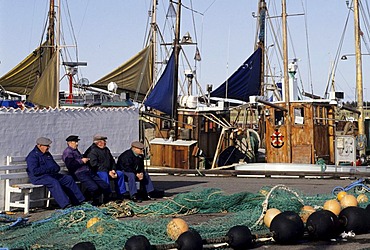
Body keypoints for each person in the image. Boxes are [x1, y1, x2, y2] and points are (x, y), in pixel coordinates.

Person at [26, 137, 85, 209]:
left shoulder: (47, 154)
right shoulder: (32, 156)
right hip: (38, 178)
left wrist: (51, 169)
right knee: (53, 182)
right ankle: (65, 204)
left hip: (50, 175)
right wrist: (49, 169)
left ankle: (79, 201)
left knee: (68, 179)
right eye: (46, 146)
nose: (48, 147)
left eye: (48, 146)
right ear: (40, 145)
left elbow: (56, 167)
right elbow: (34, 171)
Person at [62, 135, 111, 205]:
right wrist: (81, 161)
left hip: (87, 171)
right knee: (93, 187)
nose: (77, 143)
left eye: (77, 142)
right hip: (79, 173)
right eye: (75, 142)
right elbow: (70, 164)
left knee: (104, 185)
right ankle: (87, 200)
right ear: (69, 143)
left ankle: (92, 199)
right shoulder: (68, 152)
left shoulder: (75, 151)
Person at [84, 134, 127, 200]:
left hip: (108, 170)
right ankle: (107, 194)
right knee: (104, 175)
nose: (105, 142)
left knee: (120, 174)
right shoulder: (92, 151)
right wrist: (108, 171)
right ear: (99, 142)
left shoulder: (106, 150)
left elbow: (112, 161)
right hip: (97, 171)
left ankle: (121, 194)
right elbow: (94, 164)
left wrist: (113, 169)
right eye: (104, 141)